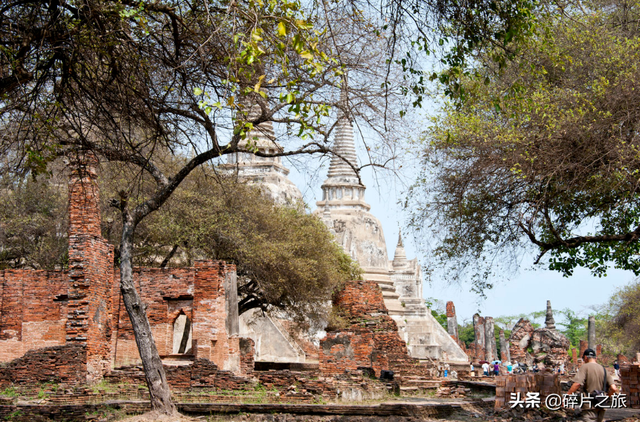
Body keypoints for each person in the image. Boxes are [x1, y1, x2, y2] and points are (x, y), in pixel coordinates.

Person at [566, 349, 617, 422]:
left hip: (589, 406)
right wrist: (607, 396)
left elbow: (577, 383)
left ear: (585, 357)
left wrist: (567, 395)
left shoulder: (584, 367)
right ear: (595, 358)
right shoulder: (603, 369)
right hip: (601, 406)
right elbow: (614, 388)